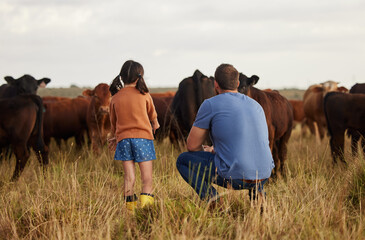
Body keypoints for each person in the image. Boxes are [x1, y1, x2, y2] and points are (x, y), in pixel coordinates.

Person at [176, 63, 274, 206]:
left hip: (235, 177)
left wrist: (211, 155)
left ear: (215, 84)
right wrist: (218, 151)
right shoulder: (256, 105)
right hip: (264, 173)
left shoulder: (210, 104)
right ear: (238, 83)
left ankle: (213, 200)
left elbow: (192, 146)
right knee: (253, 159)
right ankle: (259, 198)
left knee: (183, 160)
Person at [108, 60, 160, 212]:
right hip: (143, 139)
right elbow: (153, 116)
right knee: (146, 179)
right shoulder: (144, 94)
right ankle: (146, 211)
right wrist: (155, 125)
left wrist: (114, 137)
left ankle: (129, 212)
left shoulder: (115, 98)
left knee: (129, 178)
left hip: (124, 140)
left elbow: (113, 122)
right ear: (139, 77)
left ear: (122, 78)